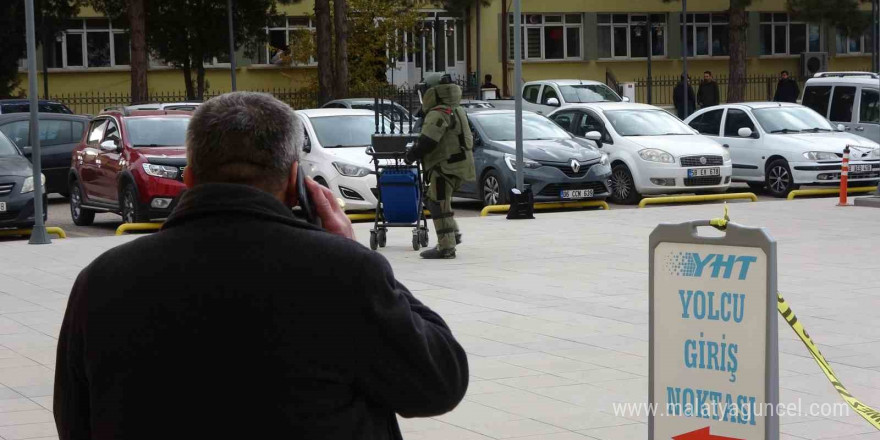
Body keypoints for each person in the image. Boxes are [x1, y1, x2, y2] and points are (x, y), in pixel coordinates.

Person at [54, 92, 469, 439]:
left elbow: (73, 420)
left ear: (191, 177)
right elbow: (439, 383)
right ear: (295, 181)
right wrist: (353, 252)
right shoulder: (341, 273)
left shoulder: (101, 281)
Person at [405, 73, 475, 259]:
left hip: (445, 166)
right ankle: (453, 235)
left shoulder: (439, 112)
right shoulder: (456, 109)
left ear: (433, 92)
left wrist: (411, 155)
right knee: (437, 200)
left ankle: (446, 247)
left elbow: (428, 141)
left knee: (438, 203)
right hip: (457, 164)